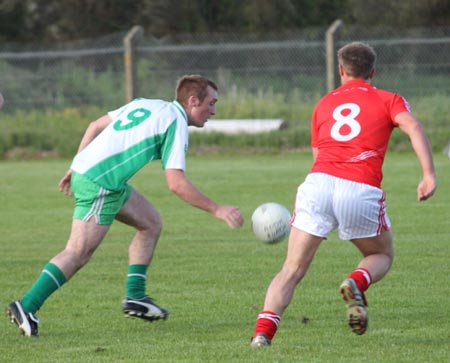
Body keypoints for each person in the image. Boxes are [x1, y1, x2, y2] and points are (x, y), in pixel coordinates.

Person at [6, 74, 244, 337]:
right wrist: (218, 209)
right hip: (101, 183)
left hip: (100, 177)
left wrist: (76, 165)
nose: (214, 110)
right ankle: (26, 306)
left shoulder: (147, 104)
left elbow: (94, 125)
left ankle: (136, 297)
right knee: (78, 252)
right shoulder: (175, 122)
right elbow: (176, 183)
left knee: (150, 223)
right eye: (211, 103)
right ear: (192, 101)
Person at [250, 42, 437, 347]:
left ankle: (262, 335)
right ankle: (356, 282)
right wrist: (428, 175)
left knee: (292, 269)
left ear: (341, 70)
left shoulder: (324, 103)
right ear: (372, 72)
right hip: (359, 187)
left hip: (318, 184)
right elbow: (413, 127)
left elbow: (317, 155)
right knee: (381, 255)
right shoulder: (388, 99)